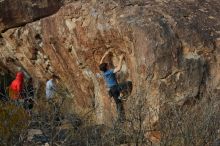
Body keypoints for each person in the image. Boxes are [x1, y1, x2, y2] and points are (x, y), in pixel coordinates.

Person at [99, 49, 126, 122]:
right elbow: (119, 68)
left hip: (111, 90)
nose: (108, 65)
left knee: (118, 103)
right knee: (127, 84)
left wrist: (105, 55)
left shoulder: (103, 73)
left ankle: (121, 119)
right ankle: (121, 94)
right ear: (107, 67)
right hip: (116, 87)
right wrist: (121, 59)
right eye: (107, 65)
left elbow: (100, 63)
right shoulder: (110, 72)